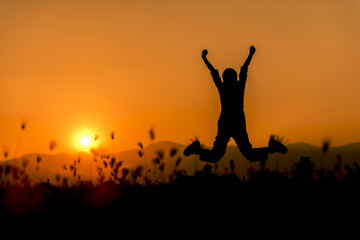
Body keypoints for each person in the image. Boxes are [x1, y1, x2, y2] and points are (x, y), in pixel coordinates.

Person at [184, 46, 287, 163]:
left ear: (225, 79)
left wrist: (204, 58)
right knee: (249, 154)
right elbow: (244, 69)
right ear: (235, 78)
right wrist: (251, 54)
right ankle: (272, 147)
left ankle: (196, 149)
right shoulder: (239, 87)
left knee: (216, 155)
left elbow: (214, 73)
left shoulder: (223, 88)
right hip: (237, 123)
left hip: (226, 123)